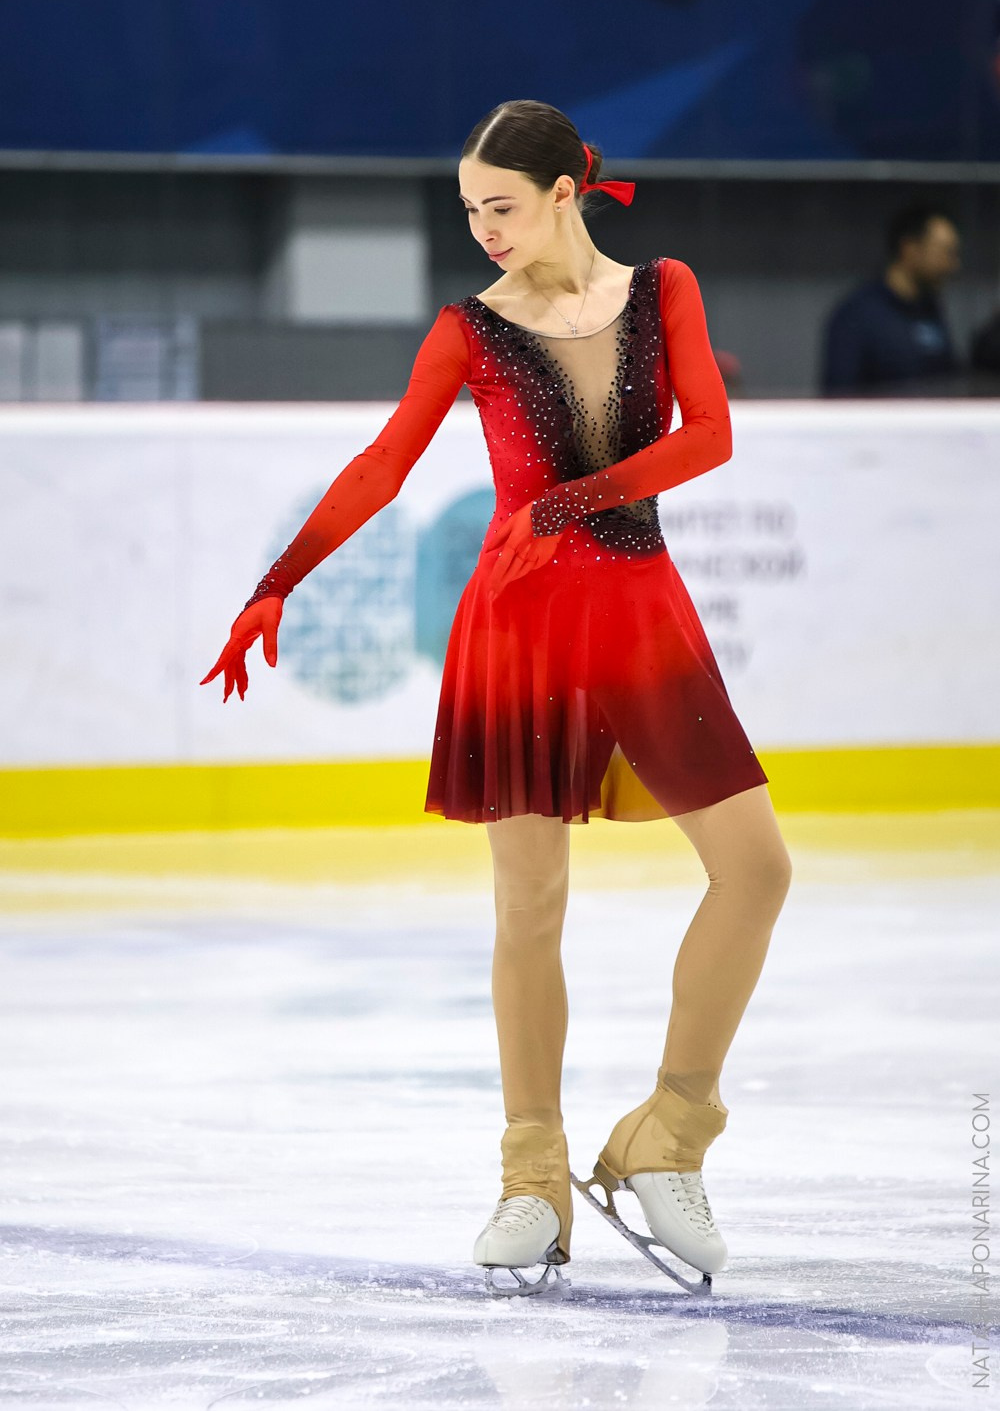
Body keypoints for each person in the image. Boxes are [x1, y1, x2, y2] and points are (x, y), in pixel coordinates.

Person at [202, 99, 793, 1296]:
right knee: (529, 908)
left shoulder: (662, 287)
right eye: (469, 209)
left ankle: (668, 1138)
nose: (481, 228)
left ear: (565, 193)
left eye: (501, 206)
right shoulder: (469, 329)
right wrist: (277, 584)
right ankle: (532, 1177)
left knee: (757, 868)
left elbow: (710, 438)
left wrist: (569, 505)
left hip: (637, 611)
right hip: (516, 632)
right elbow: (384, 463)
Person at [820, 200, 962, 396]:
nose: (952, 265)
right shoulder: (857, 316)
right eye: (944, 253)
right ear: (910, 249)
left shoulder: (931, 309)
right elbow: (839, 401)